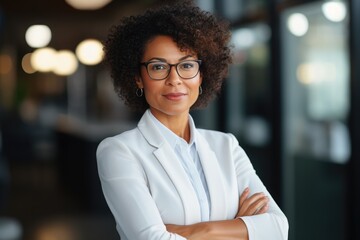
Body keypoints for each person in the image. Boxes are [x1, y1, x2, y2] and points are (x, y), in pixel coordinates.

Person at [96, 1, 289, 239]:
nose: (175, 79)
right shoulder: (119, 151)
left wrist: (199, 230)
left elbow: (278, 228)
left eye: (187, 65)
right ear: (138, 77)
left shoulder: (226, 146)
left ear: (201, 74)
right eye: (158, 67)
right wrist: (238, 227)